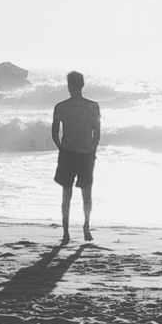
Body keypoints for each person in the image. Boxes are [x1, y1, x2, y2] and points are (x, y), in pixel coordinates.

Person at [51, 70, 100, 243]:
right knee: (87, 193)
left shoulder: (61, 107)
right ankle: (86, 227)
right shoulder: (93, 106)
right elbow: (97, 134)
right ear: (82, 85)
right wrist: (92, 151)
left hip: (68, 154)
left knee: (67, 194)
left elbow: (55, 134)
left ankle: (66, 232)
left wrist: (62, 149)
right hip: (86, 154)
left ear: (69, 86)